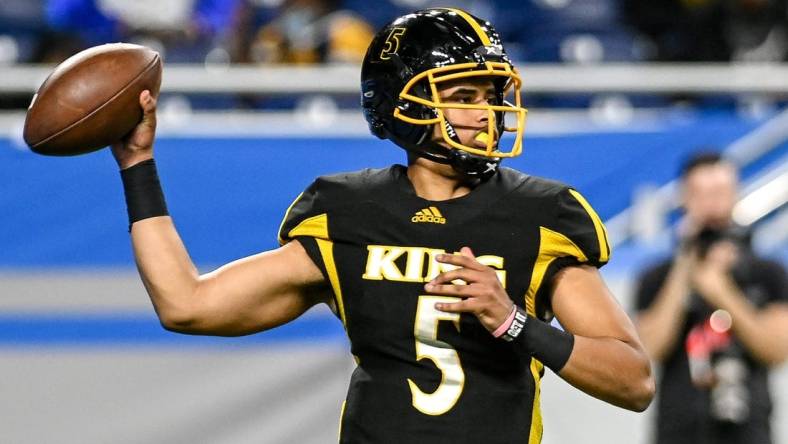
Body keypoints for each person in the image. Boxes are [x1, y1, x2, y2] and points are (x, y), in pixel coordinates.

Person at [112, 8, 654, 443]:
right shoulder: (349, 211)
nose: (486, 112)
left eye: (491, 95)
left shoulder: (540, 214)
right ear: (400, 103)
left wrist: (515, 322)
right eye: (464, 97)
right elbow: (186, 304)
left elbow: (634, 380)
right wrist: (138, 166)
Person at [634, 152, 788, 444]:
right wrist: (684, 270)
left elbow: (777, 350)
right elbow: (650, 347)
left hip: (749, 429)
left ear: (735, 194)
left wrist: (722, 292)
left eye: (719, 192)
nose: (711, 204)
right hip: (678, 430)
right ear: (684, 199)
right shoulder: (657, 276)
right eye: (700, 194)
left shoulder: (767, 272)